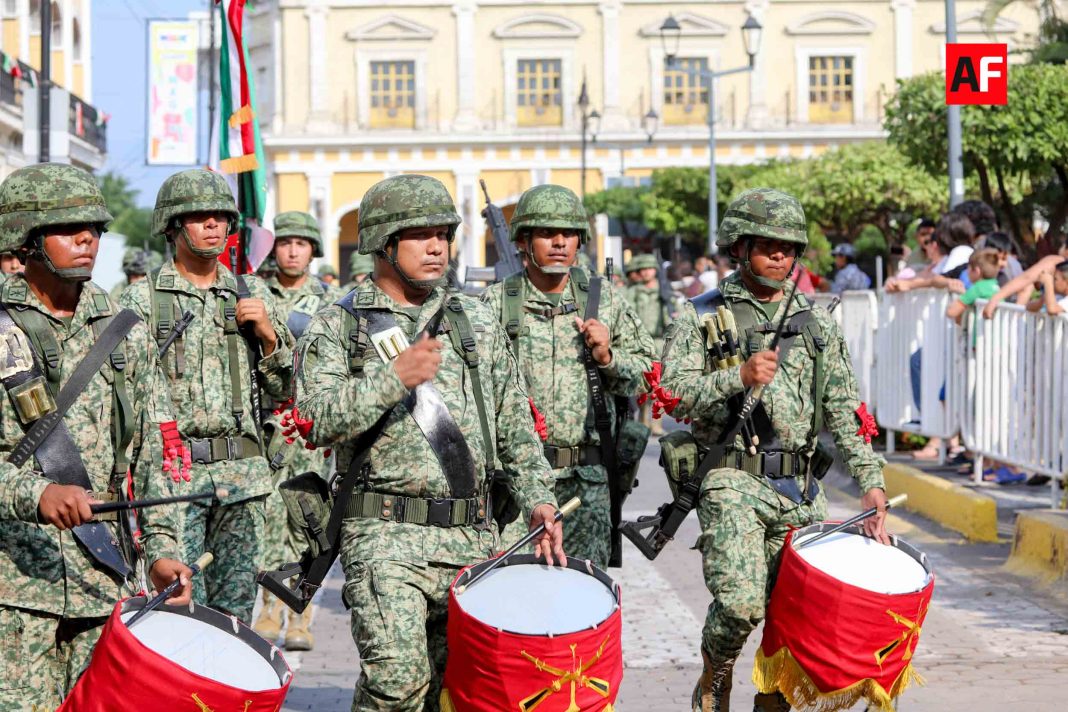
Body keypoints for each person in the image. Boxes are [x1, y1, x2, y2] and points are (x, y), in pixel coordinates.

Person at [294, 174, 564, 711]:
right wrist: (393, 376)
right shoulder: (339, 325)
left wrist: (540, 499)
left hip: (473, 535)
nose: (438, 246)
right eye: (420, 235)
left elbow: (515, 426)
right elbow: (314, 420)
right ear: (383, 243)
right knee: (398, 682)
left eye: (443, 233)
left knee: (457, 690)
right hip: (385, 534)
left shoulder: (475, 320)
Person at [660, 188, 888, 712]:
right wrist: (735, 378)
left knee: (796, 621)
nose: (780, 255)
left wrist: (871, 482)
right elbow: (673, 394)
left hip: (800, 486)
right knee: (740, 606)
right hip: (731, 478)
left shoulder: (816, 325)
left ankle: (774, 702)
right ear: (739, 247)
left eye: (789, 247)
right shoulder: (702, 315)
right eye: (767, 245)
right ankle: (716, 669)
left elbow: (844, 409)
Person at [0, 164, 193, 708]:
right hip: (12, 593)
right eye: (70, 227)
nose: (88, 239)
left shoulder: (121, 328)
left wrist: (161, 551)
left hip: (102, 582)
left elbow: (156, 452)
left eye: (95, 228)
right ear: (27, 239)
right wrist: (34, 494)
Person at [120, 168, 294, 624]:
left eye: (220, 217)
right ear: (174, 226)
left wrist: (271, 338)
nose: (214, 225)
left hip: (244, 476)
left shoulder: (250, 292)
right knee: (176, 607)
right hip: (173, 480)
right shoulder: (142, 301)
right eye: (200, 217)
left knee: (234, 615)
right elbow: (124, 399)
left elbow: (286, 389)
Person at [482, 184, 654, 568]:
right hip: (517, 486)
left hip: (587, 483)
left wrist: (608, 357)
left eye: (569, 234)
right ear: (523, 240)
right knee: (514, 597)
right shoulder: (495, 304)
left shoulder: (604, 298)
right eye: (546, 233)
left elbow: (649, 378)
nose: (559, 242)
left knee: (582, 594)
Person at [252, 210, 342, 650]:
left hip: (311, 429)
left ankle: (301, 613)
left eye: (301, 243)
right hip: (267, 426)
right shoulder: (255, 293)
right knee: (269, 518)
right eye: (285, 242)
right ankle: (270, 607)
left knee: (308, 522)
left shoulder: (333, 301)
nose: (292, 250)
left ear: (312, 251)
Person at [624, 253, 673, 435]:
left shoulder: (664, 292)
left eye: (649, 268)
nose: (645, 272)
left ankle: (656, 423)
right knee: (643, 384)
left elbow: (674, 315)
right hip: (641, 342)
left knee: (659, 386)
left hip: (660, 341)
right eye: (642, 269)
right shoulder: (633, 292)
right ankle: (643, 421)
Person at [982, 235, 1068, 319]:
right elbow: (1027, 280)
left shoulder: (1055, 263)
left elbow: (1026, 278)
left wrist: (1048, 284)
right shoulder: (1055, 265)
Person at [946, 249, 1001, 325]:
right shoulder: (997, 287)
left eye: (968, 268)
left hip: (979, 335)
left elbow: (951, 312)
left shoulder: (978, 288)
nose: (967, 272)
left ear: (977, 271)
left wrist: (959, 295)